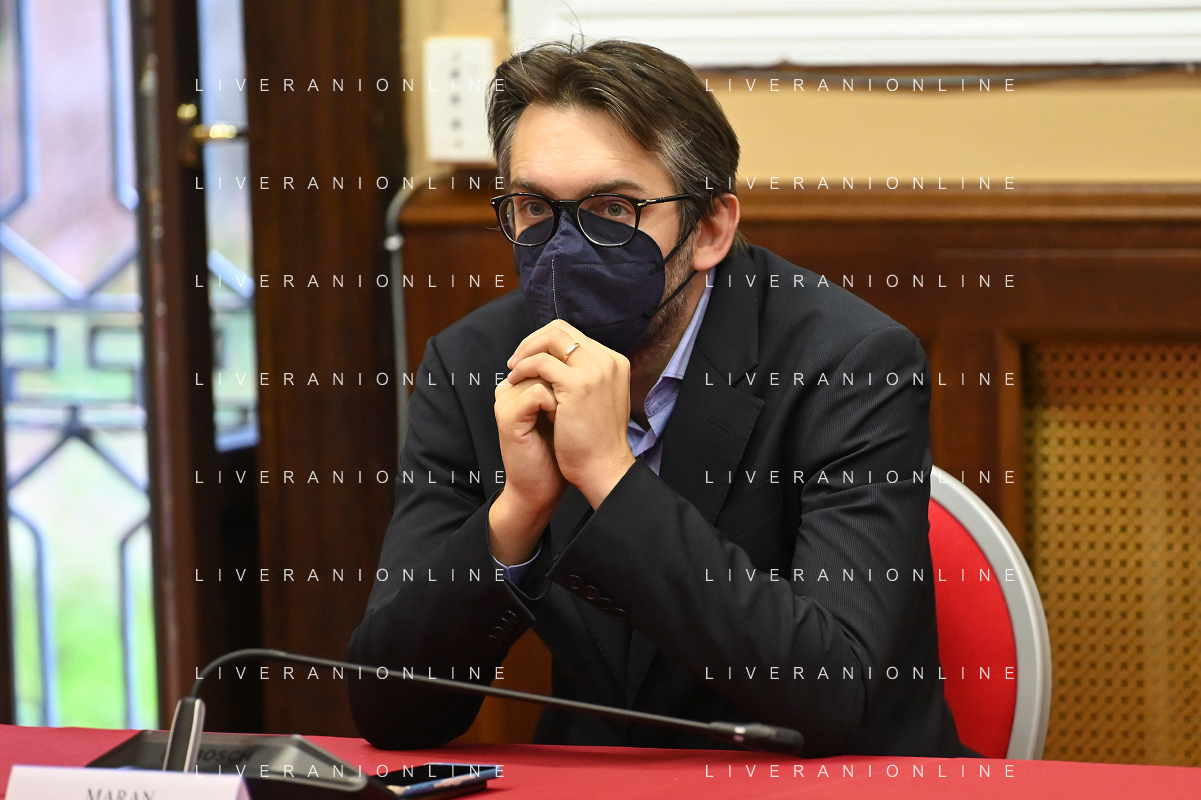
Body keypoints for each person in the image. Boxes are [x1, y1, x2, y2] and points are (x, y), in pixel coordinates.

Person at [348, 39, 969, 757]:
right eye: (534, 207)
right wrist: (516, 514)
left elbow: (832, 694)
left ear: (709, 229)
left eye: (613, 208)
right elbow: (389, 708)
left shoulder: (850, 364)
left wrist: (609, 477)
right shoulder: (473, 366)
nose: (565, 248)